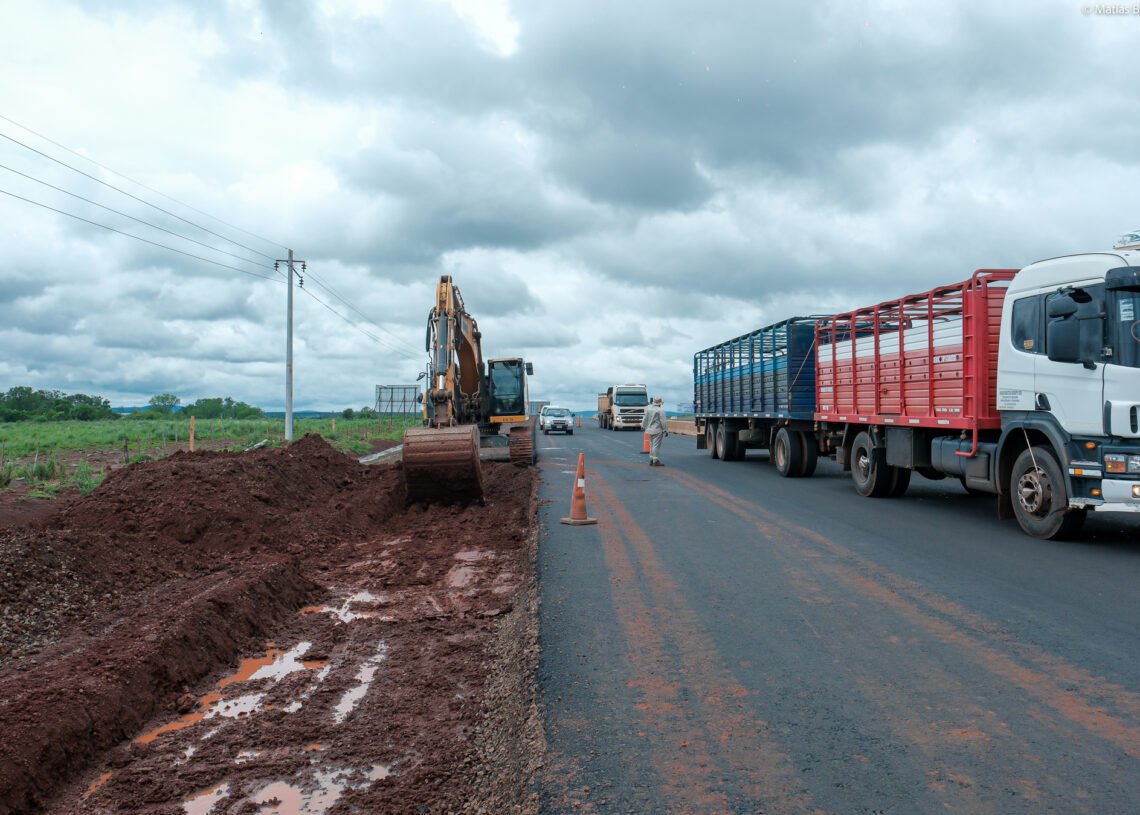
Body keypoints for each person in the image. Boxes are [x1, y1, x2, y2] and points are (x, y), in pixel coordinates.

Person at [641, 396, 668, 466]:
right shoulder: (660, 410)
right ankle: (655, 461)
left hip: (649, 430)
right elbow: (663, 421)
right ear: (660, 403)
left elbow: (645, 419)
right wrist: (665, 430)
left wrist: (643, 426)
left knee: (651, 445)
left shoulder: (649, 409)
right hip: (657, 430)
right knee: (656, 446)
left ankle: (651, 459)